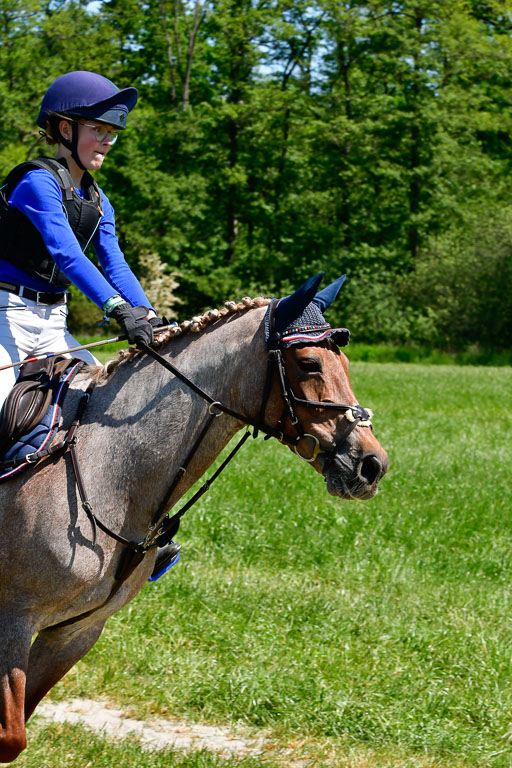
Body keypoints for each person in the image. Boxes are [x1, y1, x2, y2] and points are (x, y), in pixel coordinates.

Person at [0, 70, 180, 578]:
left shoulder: (99, 200)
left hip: (51, 323)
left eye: (111, 131)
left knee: (107, 406)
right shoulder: (37, 182)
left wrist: (146, 314)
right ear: (63, 129)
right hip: (5, 317)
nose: (107, 139)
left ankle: (136, 537)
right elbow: (66, 254)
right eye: (97, 128)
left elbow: (113, 262)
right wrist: (115, 310)